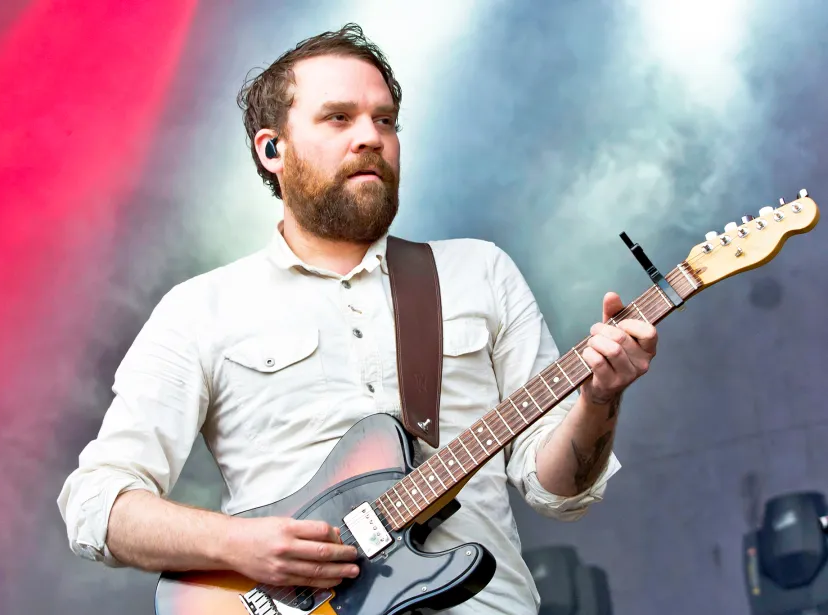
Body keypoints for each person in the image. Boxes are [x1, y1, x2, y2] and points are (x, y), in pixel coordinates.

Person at [57, 23, 658, 614]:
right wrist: (239, 545)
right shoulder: (201, 309)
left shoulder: (481, 272)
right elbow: (95, 503)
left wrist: (600, 399)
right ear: (273, 150)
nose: (371, 136)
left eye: (386, 119)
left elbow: (560, 493)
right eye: (339, 117)